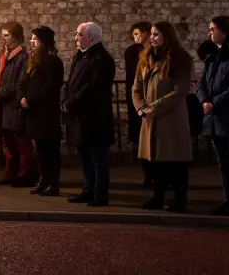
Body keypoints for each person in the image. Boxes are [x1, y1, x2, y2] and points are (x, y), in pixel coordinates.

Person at [132, 21, 194, 212]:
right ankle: (158, 198)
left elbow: (179, 90)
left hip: (170, 119)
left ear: (167, 37)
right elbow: (136, 87)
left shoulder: (179, 59)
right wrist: (141, 109)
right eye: (151, 34)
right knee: (155, 162)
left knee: (175, 162)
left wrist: (153, 109)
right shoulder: (146, 58)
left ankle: (179, 200)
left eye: (156, 34)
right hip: (150, 118)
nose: (152, 37)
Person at [62, 21, 116, 207]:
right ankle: (89, 189)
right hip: (80, 118)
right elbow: (70, 83)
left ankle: (100, 194)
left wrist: (72, 103)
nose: (75, 38)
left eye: (78, 34)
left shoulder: (102, 59)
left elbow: (91, 89)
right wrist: (65, 99)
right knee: (85, 157)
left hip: (95, 119)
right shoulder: (80, 57)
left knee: (97, 158)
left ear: (90, 37)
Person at [197, 15, 229, 216]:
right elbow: (202, 83)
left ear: (224, 31)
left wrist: (215, 103)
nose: (210, 33)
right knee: (224, 163)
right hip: (215, 118)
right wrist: (204, 100)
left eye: (212, 29)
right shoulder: (213, 56)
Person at [18, 26, 63, 196]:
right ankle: (43, 180)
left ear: (44, 42)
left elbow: (50, 86)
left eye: (35, 39)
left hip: (47, 113)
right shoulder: (34, 61)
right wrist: (22, 97)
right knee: (42, 149)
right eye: (31, 39)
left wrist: (30, 99)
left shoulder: (52, 61)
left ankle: (53, 183)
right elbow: (24, 83)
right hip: (35, 114)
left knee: (51, 149)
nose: (31, 42)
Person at [0, 23, 35, 187]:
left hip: (14, 104)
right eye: (2, 35)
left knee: (20, 140)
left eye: (6, 35)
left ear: (16, 37)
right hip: (3, 104)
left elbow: (20, 81)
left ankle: (25, 174)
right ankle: (11, 173)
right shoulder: (2, 55)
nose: (3, 38)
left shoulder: (22, 57)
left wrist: (1, 92)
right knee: (8, 141)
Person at [124, 21, 153, 186]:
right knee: (142, 142)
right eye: (134, 34)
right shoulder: (132, 52)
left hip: (150, 101)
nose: (136, 37)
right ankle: (148, 175)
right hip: (138, 102)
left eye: (138, 34)